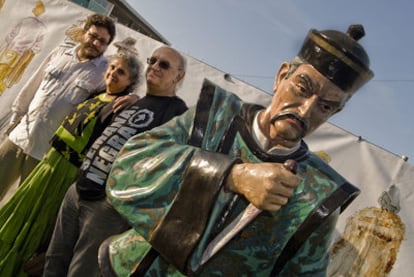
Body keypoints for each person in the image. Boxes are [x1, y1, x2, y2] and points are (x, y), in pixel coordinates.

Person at [99, 24, 374, 276]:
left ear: (335, 112)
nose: (305, 110)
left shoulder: (320, 194)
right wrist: (230, 175)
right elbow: (127, 167)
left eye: (325, 106)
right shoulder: (214, 116)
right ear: (281, 76)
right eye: (302, 88)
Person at [43, 45, 188, 277]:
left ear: (178, 76)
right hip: (77, 191)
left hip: (107, 207)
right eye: (152, 60)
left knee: (81, 271)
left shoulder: (177, 112)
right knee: (54, 261)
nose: (154, 66)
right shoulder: (133, 102)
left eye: (164, 64)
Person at [0, 49, 141, 277]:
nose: (113, 73)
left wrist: (136, 99)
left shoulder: (122, 106)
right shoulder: (96, 94)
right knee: (20, 209)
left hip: (67, 173)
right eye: (113, 67)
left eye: (121, 72)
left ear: (131, 81)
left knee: (37, 223)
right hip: (49, 163)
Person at [0, 13, 135, 200]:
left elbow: (118, 91)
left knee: (19, 207)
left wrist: (134, 97)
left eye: (102, 41)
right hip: (20, 134)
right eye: (93, 36)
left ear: (106, 46)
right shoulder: (59, 53)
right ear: (83, 33)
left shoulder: (104, 72)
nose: (96, 43)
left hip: (46, 153)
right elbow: (33, 84)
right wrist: (16, 116)